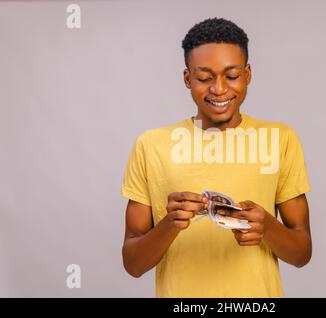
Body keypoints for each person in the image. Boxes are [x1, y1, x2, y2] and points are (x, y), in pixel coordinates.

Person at [120, 17, 312, 297]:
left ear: (247, 75)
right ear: (188, 79)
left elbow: (302, 253)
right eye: (204, 78)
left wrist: (268, 227)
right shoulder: (151, 145)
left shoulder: (280, 139)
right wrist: (168, 225)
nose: (219, 89)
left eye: (232, 76)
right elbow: (133, 264)